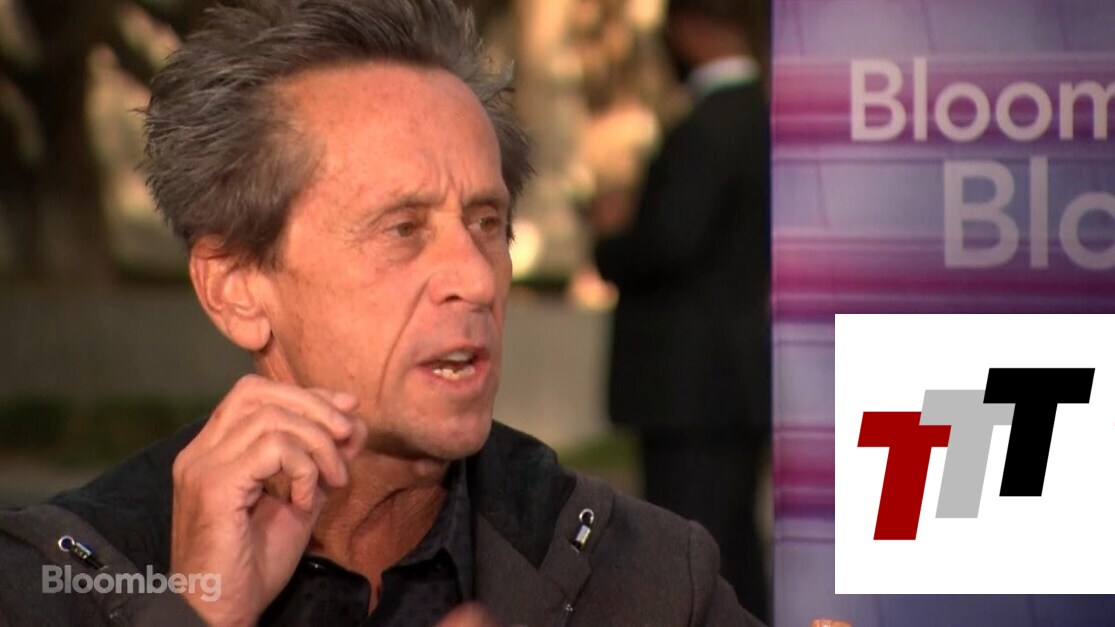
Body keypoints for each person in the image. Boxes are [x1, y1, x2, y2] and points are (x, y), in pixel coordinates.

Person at [0, 1, 764, 626]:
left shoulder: (648, 577)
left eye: (487, 223)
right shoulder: (55, 583)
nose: (475, 277)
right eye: (402, 229)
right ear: (235, 286)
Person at [591, 0, 772, 621]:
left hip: (690, 384)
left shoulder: (706, 126)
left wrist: (611, 238)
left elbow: (670, 241)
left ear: (688, 28)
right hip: (733, 380)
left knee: (691, 552)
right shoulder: (761, 116)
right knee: (734, 547)